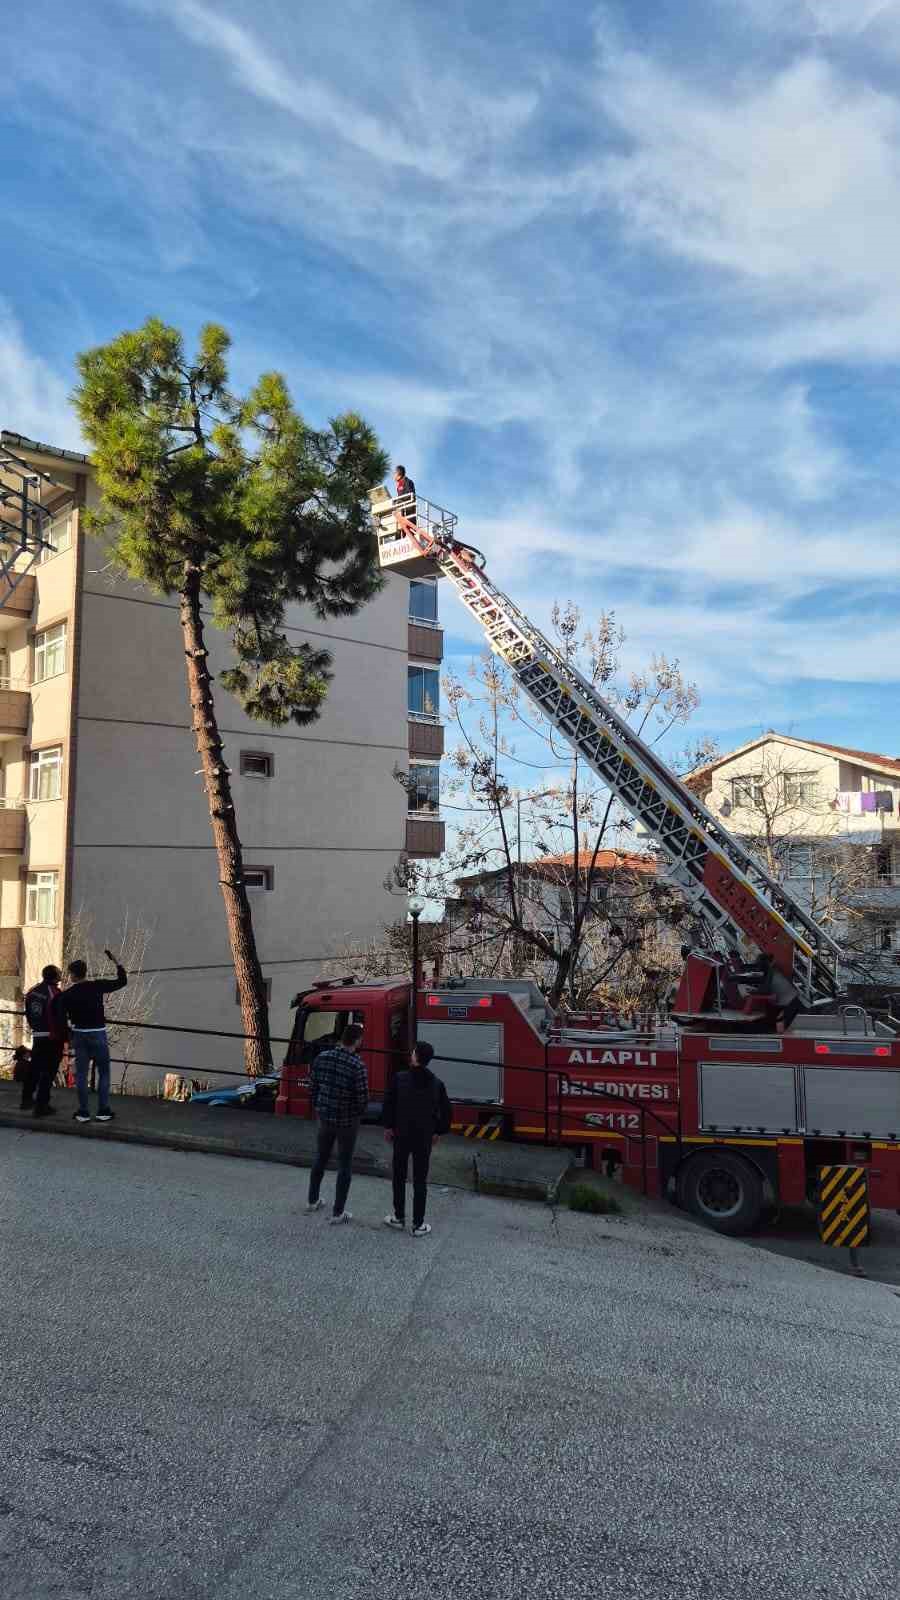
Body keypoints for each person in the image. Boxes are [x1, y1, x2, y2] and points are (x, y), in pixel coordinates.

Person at [382, 1040, 452, 1237]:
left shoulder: (399, 1078)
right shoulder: (437, 1084)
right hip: (424, 1137)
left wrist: (388, 1126)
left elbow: (389, 1103)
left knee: (399, 1175)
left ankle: (398, 1217)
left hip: (401, 1134)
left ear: (415, 1057)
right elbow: (446, 1112)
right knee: (420, 1180)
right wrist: (438, 1131)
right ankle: (418, 1224)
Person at [305, 1021, 368, 1224]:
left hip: (324, 1116)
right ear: (357, 1041)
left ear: (342, 1038)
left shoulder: (322, 1057)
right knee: (344, 1165)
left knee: (320, 1158)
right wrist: (357, 1114)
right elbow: (362, 1099)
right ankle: (338, 1212)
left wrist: (319, 1106)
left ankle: (312, 1200)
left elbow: (313, 1087)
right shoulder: (357, 1065)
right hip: (347, 1121)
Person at [56, 950, 127, 1124]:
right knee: (104, 1072)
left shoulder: (67, 995)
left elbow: (59, 1016)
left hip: (79, 1034)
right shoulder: (97, 986)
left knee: (81, 1074)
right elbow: (122, 982)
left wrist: (68, 1033)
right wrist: (116, 962)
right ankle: (103, 1110)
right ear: (85, 972)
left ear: (73, 975)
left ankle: (83, 1112)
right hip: (98, 1033)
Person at [23, 964, 65, 1118]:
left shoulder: (33, 991)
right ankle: (42, 1106)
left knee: (34, 1068)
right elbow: (59, 1017)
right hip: (51, 1037)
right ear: (54, 976)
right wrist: (64, 1035)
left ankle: (26, 1100)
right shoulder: (55, 993)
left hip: (37, 1035)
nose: (61, 975)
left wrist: (34, 1026)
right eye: (59, 973)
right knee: (48, 1071)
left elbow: (28, 1012)